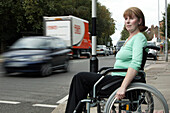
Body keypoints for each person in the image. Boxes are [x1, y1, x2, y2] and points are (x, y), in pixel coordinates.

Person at [65, 7, 148, 113]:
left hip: (121, 80)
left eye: (131, 18)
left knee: (80, 78)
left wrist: (123, 87)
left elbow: (135, 64)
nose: (127, 21)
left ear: (139, 21)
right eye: (126, 18)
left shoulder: (139, 38)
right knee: (82, 80)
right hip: (117, 77)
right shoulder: (130, 38)